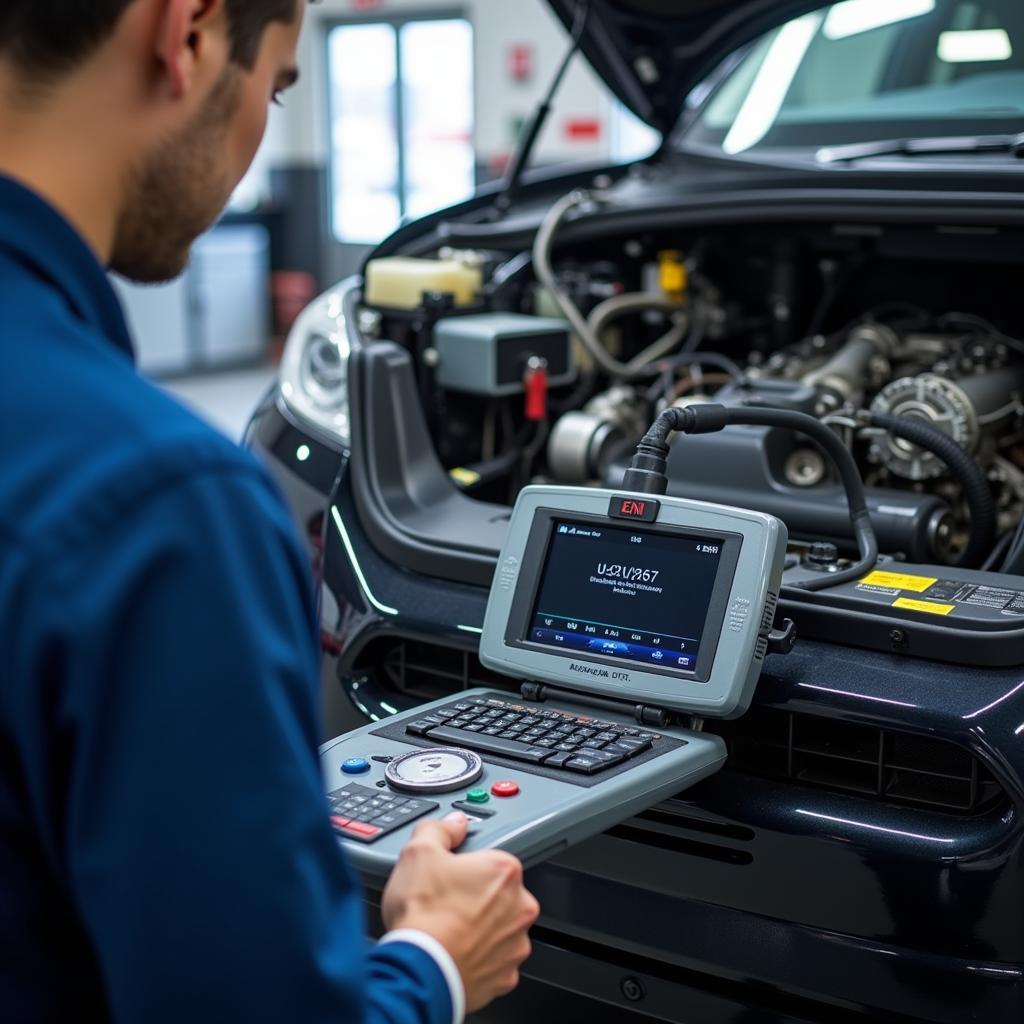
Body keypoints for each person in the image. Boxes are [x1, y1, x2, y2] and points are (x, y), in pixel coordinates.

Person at [0, 2, 539, 1022]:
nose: (260, 132)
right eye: (279, 85)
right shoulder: (159, 509)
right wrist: (430, 959)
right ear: (189, 34)